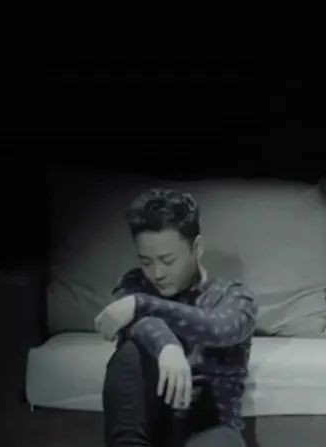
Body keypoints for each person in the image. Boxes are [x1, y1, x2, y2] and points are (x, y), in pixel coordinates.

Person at [94, 188, 257, 447]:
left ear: (197, 248)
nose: (157, 273)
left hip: (211, 424)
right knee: (130, 353)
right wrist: (167, 347)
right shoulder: (135, 283)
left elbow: (218, 329)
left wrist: (140, 304)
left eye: (168, 260)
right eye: (146, 261)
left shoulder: (233, 296)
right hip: (149, 420)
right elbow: (139, 323)